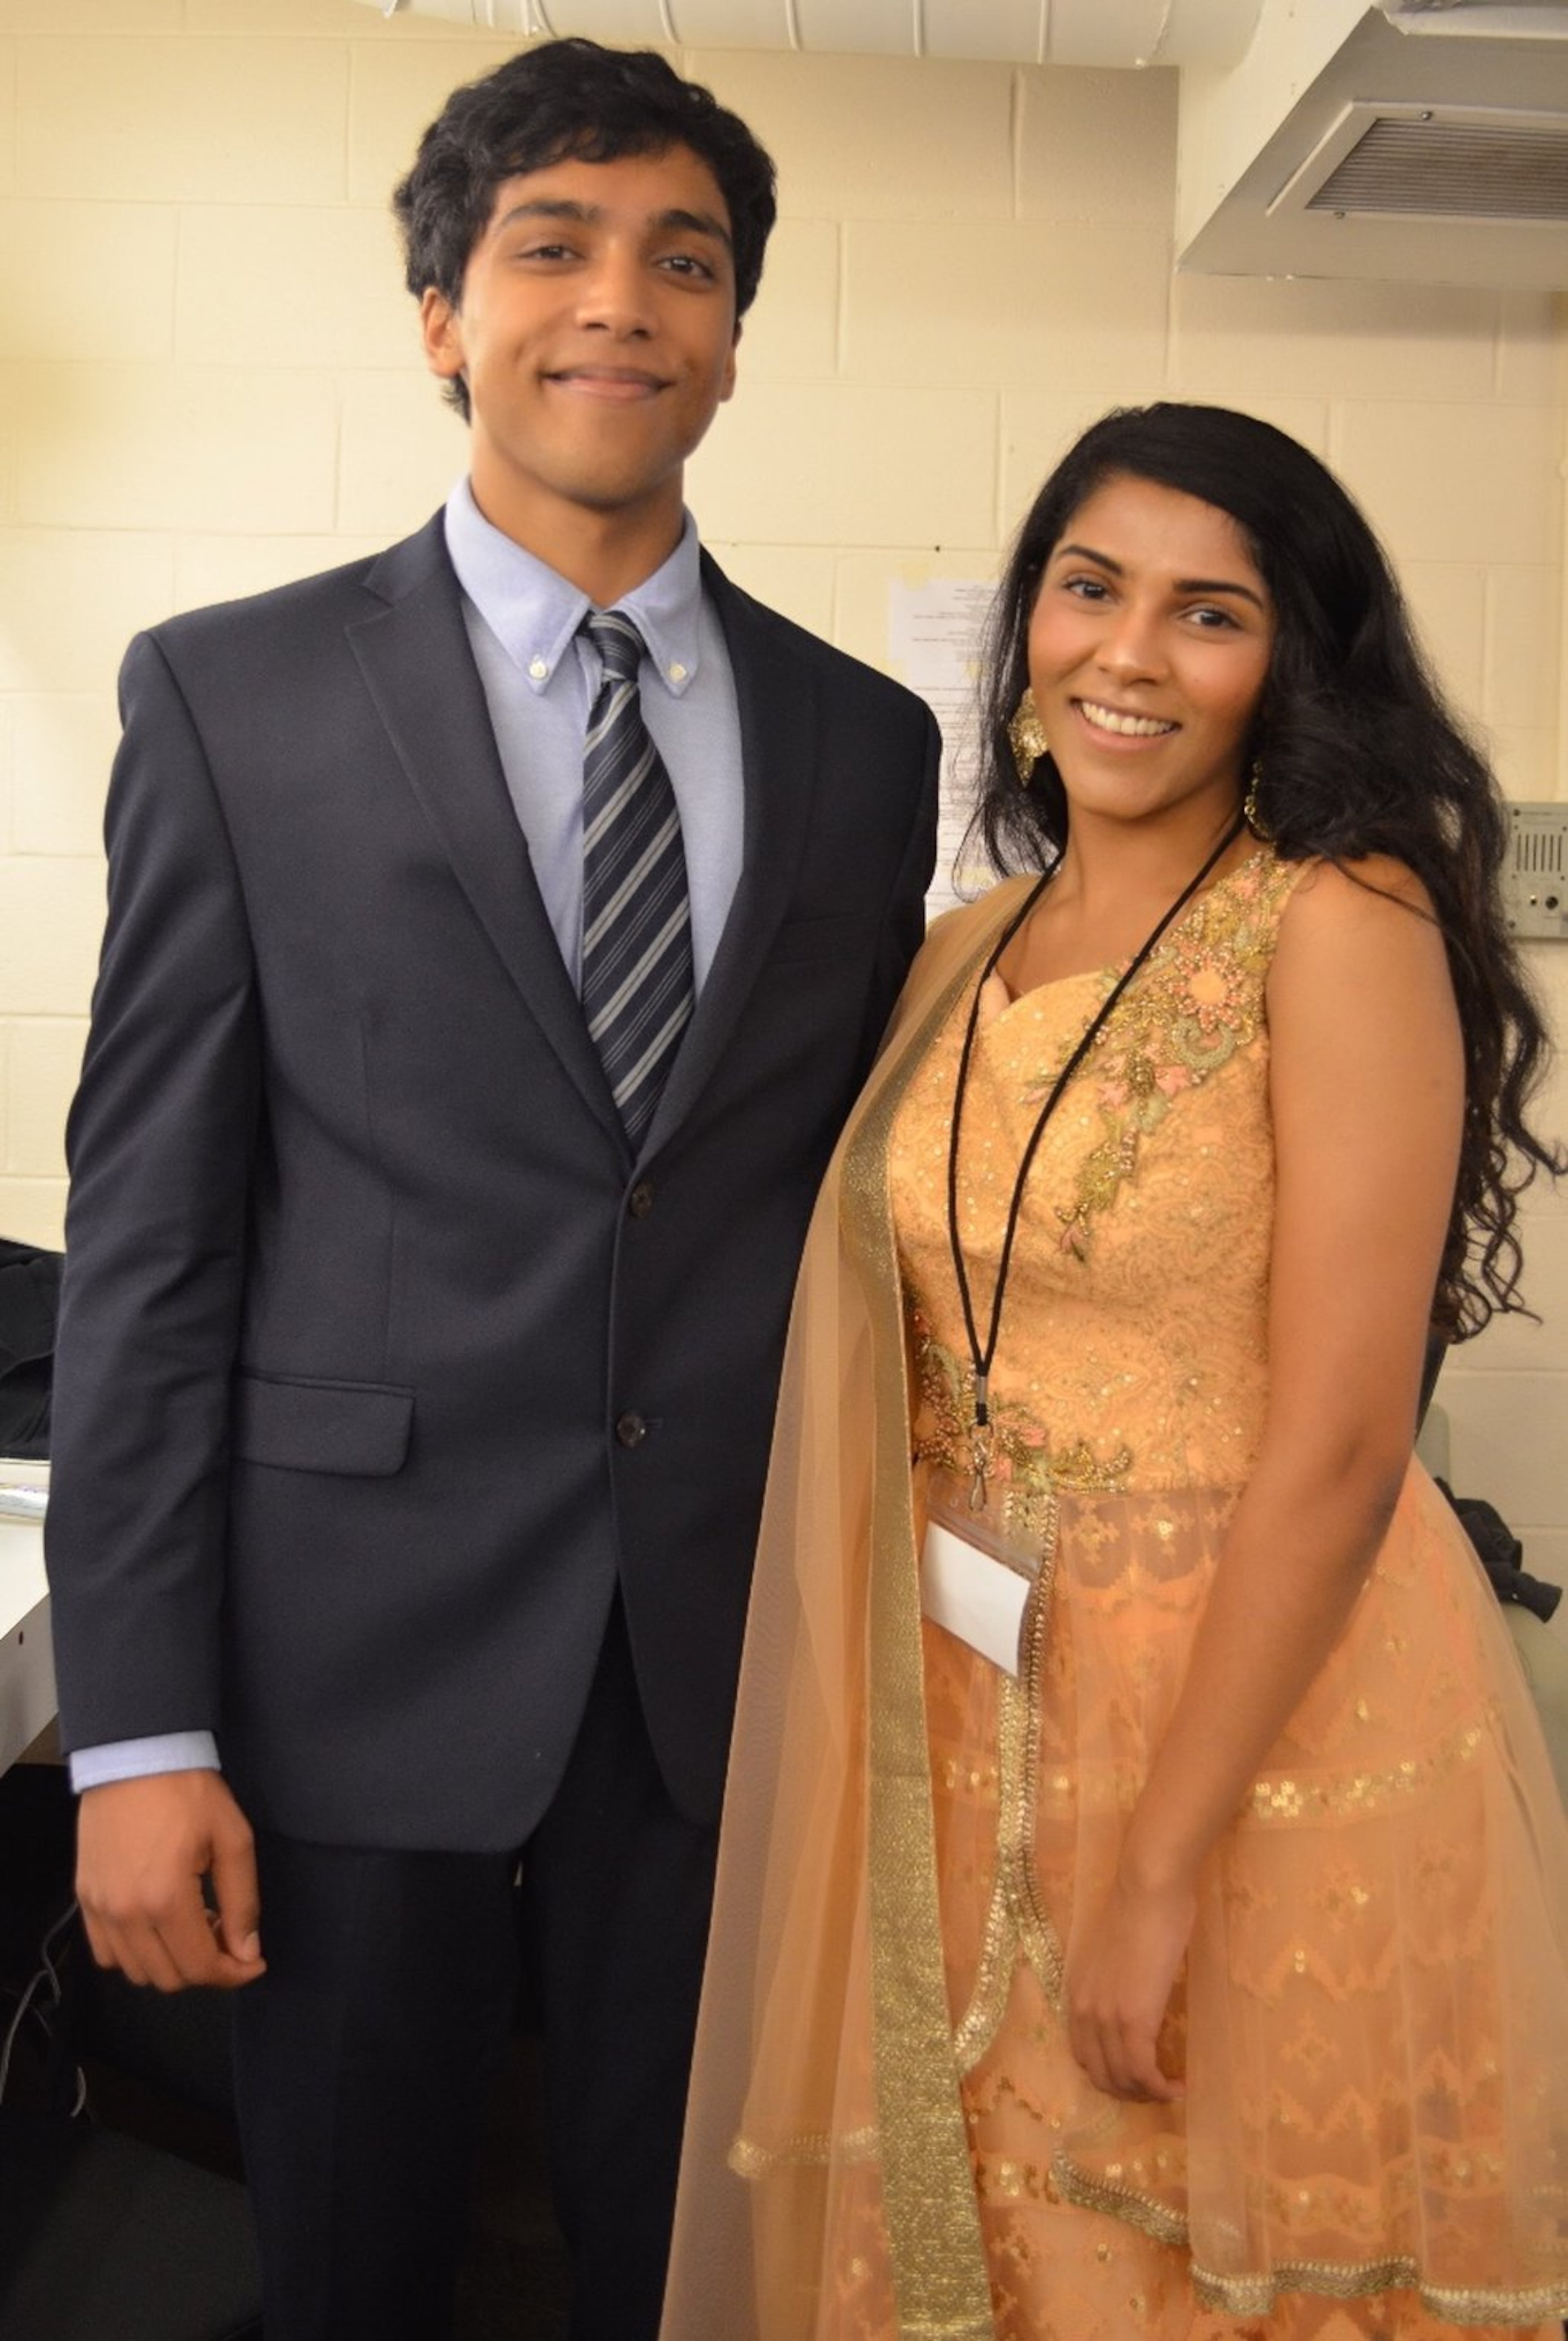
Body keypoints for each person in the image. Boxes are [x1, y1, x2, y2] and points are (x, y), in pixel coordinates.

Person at [43, 38, 938, 2341]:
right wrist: (138, 1733)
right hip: (343, 1669)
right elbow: (151, 1244)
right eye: (554, 247)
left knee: (694, 2277)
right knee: (352, 2264)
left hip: (723, 1685)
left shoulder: (867, 743)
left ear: (735, 339)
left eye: (686, 264)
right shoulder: (233, 696)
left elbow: (849, 1227)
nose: (621, 301)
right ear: (444, 312)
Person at [660, 402, 1568, 2341]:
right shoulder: (959, 948)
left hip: (1245, 1714)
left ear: (1290, 666)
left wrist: (1161, 1863)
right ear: (1029, 625)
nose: (1130, 654)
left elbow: (1345, 1435)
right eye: (1091, 588)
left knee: (1198, 2249)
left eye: (1209, 612)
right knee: (981, 2244)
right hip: (960, 1696)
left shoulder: (1339, 918)